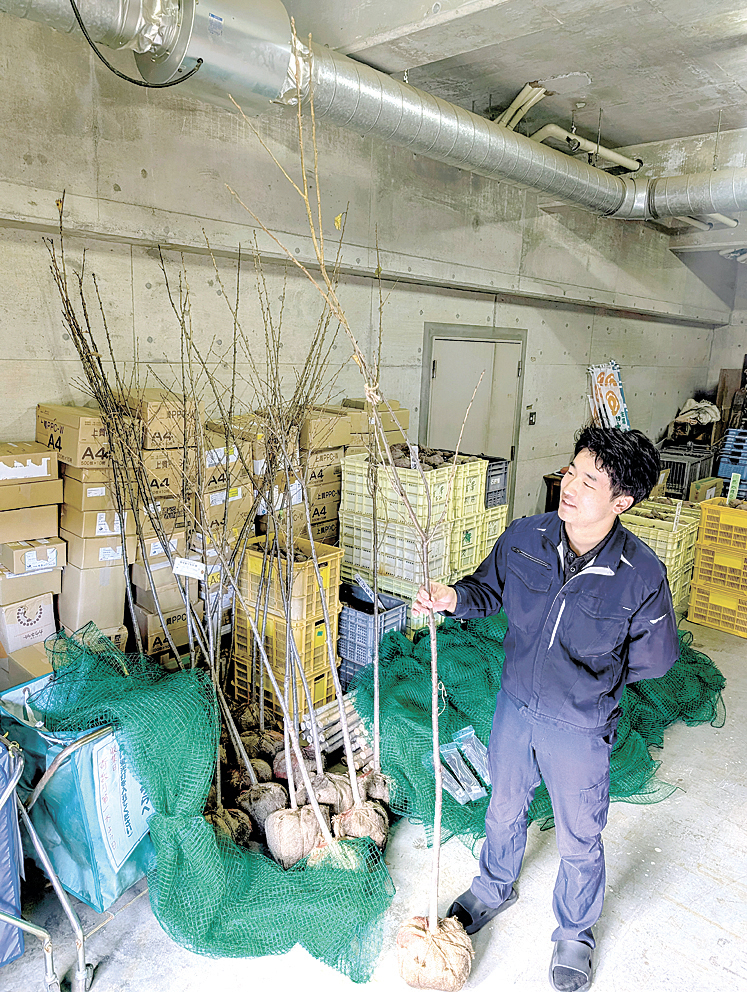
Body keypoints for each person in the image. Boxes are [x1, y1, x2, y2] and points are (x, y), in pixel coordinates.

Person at [413, 426, 679, 992]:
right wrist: (452, 598)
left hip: (579, 726)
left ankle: (574, 935)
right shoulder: (524, 537)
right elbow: (487, 590)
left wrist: (590, 688)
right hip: (515, 704)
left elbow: (653, 661)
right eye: (571, 470)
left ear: (621, 502)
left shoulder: (642, 576)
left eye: (589, 481)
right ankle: (492, 887)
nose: (570, 486)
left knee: (580, 834)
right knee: (504, 804)